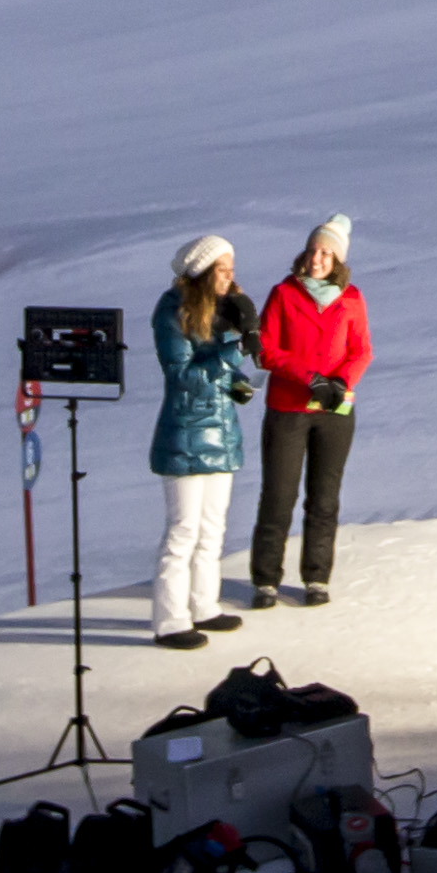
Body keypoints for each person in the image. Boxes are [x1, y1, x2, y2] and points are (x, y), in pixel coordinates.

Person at [246, 215, 368, 607]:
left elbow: (361, 350)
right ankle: (266, 580)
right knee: (278, 495)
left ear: (338, 260)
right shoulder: (284, 294)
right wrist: (309, 377)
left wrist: (341, 382)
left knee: (324, 498)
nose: (317, 259)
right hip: (288, 407)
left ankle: (317, 578)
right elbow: (266, 349)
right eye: (313, 250)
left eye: (326, 253)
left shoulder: (352, 299)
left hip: (334, 411)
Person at [147, 236, 262, 648]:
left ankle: (204, 605)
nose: (231, 278)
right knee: (183, 530)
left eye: (232, 269)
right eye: (223, 270)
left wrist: (241, 382)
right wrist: (233, 352)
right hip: (185, 434)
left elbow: (219, 371)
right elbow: (183, 377)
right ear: (201, 272)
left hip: (221, 432)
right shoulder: (172, 312)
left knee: (213, 527)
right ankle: (170, 620)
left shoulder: (220, 311)